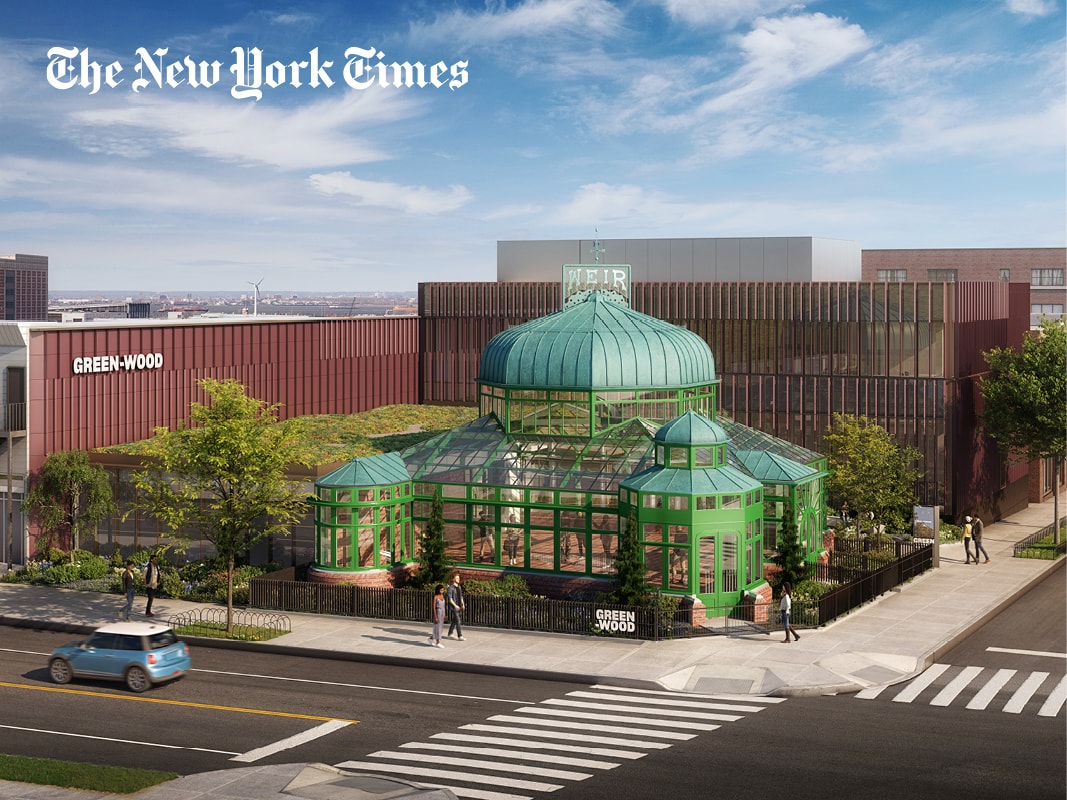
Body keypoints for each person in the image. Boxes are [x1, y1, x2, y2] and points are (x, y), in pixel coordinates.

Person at [446, 573, 465, 640]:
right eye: (457, 578)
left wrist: (463, 604)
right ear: (453, 579)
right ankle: (460, 635)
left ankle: (450, 633)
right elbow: (450, 599)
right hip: (454, 607)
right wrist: (455, 605)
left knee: (455, 620)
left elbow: (461, 596)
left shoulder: (459, 587)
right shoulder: (451, 588)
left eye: (458, 578)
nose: (458, 579)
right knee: (458, 621)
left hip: (459, 605)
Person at [428, 584, 446, 648]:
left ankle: (431, 638)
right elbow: (434, 607)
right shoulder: (436, 597)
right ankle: (438, 642)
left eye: (443, 590)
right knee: (437, 627)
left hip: (442, 612)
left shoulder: (442, 596)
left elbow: (444, 606)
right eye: (441, 590)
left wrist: (444, 614)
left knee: (440, 628)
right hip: (438, 612)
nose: (442, 591)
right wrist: (435, 616)